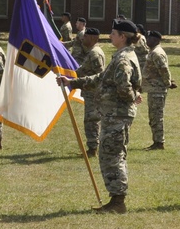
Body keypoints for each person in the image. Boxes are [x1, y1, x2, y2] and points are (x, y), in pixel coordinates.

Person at [58, 19, 142, 214]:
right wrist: (72, 82)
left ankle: (118, 202)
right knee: (110, 154)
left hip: (117, 115)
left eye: (113, 33)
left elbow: (124, 86)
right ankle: (116, 199)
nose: (110, 36)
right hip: (114, 114)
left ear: (123, 37)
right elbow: (100, 78)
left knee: (112, 156)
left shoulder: (123, 59)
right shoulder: (122, 55)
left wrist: (131, 98)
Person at [142, 30, 174, 151]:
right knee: (153, 116)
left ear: (155, 40)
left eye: (149, 39)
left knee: (156, 116)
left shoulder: (157, 53)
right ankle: (156, 141)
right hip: (153, 89)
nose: (147, 41)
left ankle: (159, 142)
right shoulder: (153, 52)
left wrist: (168, 83)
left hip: (157, 90)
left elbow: (164, 70)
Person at [77, 28, 106, 157]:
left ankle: (93, 148)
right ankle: (92, 147)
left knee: (92, 120)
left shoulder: (95, 53)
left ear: (94, 38)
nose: (83, 38)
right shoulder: (91, 52)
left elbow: (100, 75)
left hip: (94, 93)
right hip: (89, 91)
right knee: (90, 120)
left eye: (86, 36)